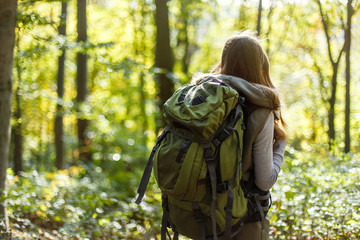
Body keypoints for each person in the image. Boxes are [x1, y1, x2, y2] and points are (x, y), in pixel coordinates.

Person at [191, 32, 287, 239]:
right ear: (259, 66)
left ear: (224, 61)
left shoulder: (201, 100)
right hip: (241, 218)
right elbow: (264, 181)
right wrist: (281, 144)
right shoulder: (261, 111)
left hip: (200, 213)